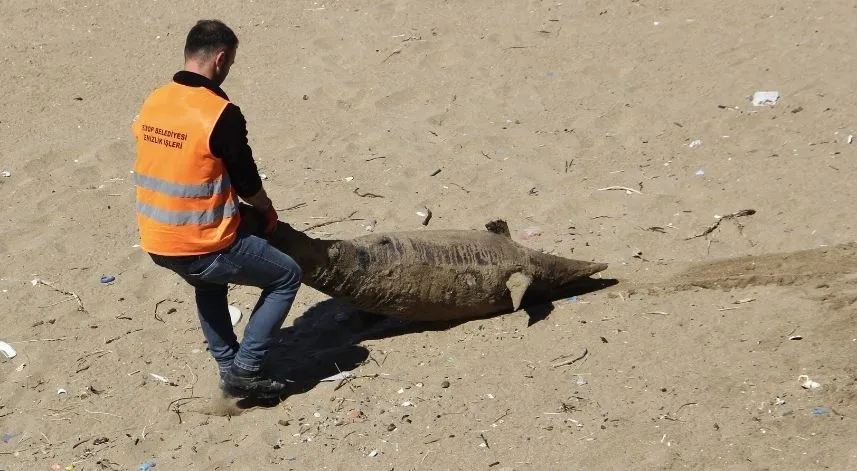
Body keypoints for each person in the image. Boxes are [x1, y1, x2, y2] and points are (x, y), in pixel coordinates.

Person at [131, 19, 302, 399]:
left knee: (208, 283)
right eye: (231, 64)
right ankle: (247, 367)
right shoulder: (220, 112)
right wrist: (267, 211)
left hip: (158, 239)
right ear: (221, 59)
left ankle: (228, 367)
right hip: (201, 242)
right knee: (286, 277)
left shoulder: (155, 99)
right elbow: (247, 182)